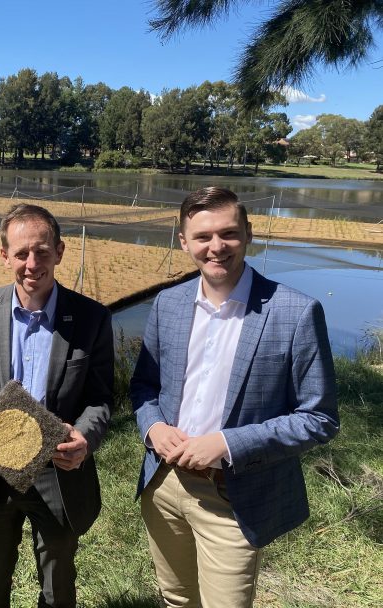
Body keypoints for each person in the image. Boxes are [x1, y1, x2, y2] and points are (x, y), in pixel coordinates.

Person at [131, 186, 339, 607]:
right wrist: (153, 426)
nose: (216, 247)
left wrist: (226, 444)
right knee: (175, 597)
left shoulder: (294, 312)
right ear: (184, 241)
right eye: (203, 237)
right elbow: (144, 386)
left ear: (248, 233)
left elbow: (318, 418)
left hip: (232, 495)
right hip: (163, 483)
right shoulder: (168, 303)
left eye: (228, 233)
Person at [0, 203, 114, 607]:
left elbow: (99, 399)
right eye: (21, 253)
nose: (32, 263)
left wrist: (85, 438)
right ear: (3, 254)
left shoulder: (92, 317)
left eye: (42, 251)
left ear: (59, 251)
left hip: (57, 470)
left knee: (58, 585)